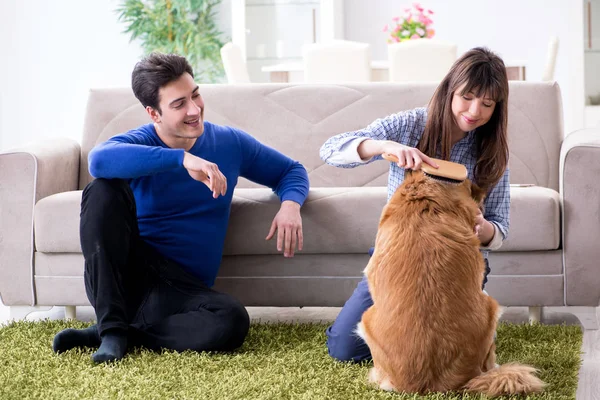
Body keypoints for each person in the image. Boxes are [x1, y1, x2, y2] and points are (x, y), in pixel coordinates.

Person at [52, 52, 309, 363]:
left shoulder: (229, 143)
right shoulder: (141, 143)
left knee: (232, 319)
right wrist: (181, 158)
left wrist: (290, 205)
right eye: (178, 104)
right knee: (103, 189)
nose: (194, 110)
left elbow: (290, 171)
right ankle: (113, 329)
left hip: (182, 291)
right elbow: (98, 161)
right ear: (154, 113)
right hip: (128, 278)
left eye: (195, 95)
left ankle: (120, 331)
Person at [319, 47, 510, 362]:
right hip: (399, 257)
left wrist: (485, 229)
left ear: (496, 108)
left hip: (457, 261)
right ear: (450, 90)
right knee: (345, 349)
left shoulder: (492, 152)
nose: (475, 110)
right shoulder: (410, 125)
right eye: (468, 97)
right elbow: (330, 149)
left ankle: (468, 312)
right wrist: (384, 146)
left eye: (487, 104)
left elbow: (500, 227)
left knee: (446, 351)